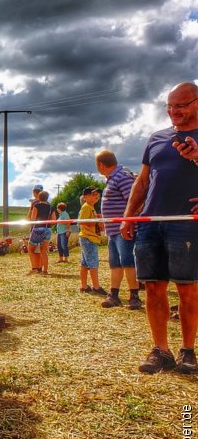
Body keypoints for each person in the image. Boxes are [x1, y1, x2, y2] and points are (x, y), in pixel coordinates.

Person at [120, 81, 198, 374]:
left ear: (196, 103)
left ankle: (188, 352)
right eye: (170, 106)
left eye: (181, 105)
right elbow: (142, 182)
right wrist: (130, 216)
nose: (173, 111)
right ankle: (160, 350)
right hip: (151, 223)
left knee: (187, 289)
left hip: (185, 224)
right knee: (153, 287)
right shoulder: (156, 138)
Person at [95, 150, 141, 310]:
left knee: (127, 261)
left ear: (101, 164)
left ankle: (134, 296)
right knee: (115, 263)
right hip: (114, 230)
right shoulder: (113, 178)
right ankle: (114, 295)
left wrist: (127, 222)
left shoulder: (121, 176)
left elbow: (135, 201)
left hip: (124, 229)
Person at [78, 186, 107, 296]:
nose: (96, 197)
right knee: (93, 263)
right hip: (88, 238)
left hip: (88, 237)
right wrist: (97, 222)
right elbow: (82, 221)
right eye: (93, 194)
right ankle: (96, 287)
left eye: (97, 195)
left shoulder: (91, 207)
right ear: (85, 197)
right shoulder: (86, 207)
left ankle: (84, 286)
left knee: (85, 263)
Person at [29, 190, 55, 274]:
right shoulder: (51, 207)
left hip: (37, 229)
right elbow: (54, 220)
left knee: (31, 249)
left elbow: (33, 218)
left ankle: (35, 268)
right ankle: (45, 269)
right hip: (47, 228)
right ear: (47, 198)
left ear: (38, 198)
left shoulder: (36, 205)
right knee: (43, 250)